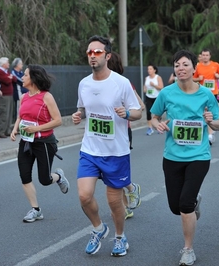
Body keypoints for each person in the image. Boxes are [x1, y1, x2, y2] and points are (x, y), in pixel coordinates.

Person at [72, 35, 142, 257]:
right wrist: (78, 115)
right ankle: (98, 228)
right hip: (90, 150)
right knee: (84, 196)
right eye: (89, 52)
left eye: (97, 52)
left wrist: (128, 113)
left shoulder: (121, 83)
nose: (92, 56)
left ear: (107, 56)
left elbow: (139, 112)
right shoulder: (84, 83)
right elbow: (83, 109)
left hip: (116, 153)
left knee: (114, 203)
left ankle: (120, 237)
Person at [151, 49, 219, 266]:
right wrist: (158, 124)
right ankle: (193, 201)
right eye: (176, 65)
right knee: (175, 207)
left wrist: (211, 121)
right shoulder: (166, 93)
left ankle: (188, 249)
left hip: (198, 156)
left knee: (184, 205)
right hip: (172, 156)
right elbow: (153, 117)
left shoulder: (206, 95)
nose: (180, 68)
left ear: (194, 68)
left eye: (184, 64)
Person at [10, 64, 70, 223]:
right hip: (26, 142)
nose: (22, 77)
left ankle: (58, 177)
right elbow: (20, 117)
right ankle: (36, 210)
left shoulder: (46, 97)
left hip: (44, 142)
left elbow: (57, 121)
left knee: (44, 179)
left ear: (34, 79)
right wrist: (15, 129)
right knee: (24, 175)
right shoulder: (24, 97)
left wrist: (36, 128)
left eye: (25, 75)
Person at [107, 51, 143, 220]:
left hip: (121, 133)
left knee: (114, 171)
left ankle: (130, 189)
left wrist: (126, 112)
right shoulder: (97, 83)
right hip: (103, 134)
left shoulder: (124, 83)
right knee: (108, 173)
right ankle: (126, 204)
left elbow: (140, 106)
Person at [193, 48, 219, 144]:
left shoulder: (215, 65)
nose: (205, 57)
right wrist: (199, 78)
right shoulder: (198, 66)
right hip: (201, 93)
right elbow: (193, 79)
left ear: (210, 56)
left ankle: (210, 133)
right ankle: (205, 131)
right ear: (201, 56)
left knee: (212, 112)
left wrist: (218, 76)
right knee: (203, 112)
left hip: (213, 92)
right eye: (203, 55)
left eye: (207, 55)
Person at [0, 57, 17, 138]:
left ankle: (7, 130)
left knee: (9, 113)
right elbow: (7, 81)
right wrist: (10, 77)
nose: (9, 64)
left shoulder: (6, 71)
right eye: (7, 63)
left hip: (10, 94)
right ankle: (1, 131)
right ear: (3, 64)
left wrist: (10, 77)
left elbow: (14, 79)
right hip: (4, 95)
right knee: (3, 113)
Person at [144, 64, 164, 135]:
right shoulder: (147, 78)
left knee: (157, 113)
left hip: (156, 97)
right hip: (148, 97)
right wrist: (146, 90)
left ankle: (159, 126)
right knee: (148, 112)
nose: (149, 70)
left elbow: (161, 87)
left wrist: (154, 85)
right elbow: (144, 88)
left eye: (150, 69)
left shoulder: (158, 77)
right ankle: (150, 128)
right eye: (148, 69)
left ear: (154, 70)